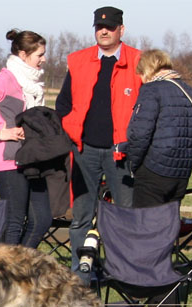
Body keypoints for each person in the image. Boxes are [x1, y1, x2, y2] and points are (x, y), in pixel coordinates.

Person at [55, 6, 142, 281]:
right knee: (81, 217)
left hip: (122, 154)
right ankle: (81, 278)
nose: (104, 31)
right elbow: (63, 104)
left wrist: (131, 140)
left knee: (125, 217)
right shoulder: (79, 61)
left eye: (110, 27)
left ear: (121, 30)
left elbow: (148, 106)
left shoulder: (138, 62)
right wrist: (73, 133)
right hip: (85, 152)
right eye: (99, 27)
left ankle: (124, 276)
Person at [0, 29, 53, 248]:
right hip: (8, 160)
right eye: (40, 55)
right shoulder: (5, 79)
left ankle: (19, 264)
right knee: (14, 221)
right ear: (23, 55)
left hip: (32, 158)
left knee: (42, 219)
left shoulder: (33, 84)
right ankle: (6, 267)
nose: (44, 59)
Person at [126, 49, 192, 207]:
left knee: (145, 219)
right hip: (181, 174)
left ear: (147, 70)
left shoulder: (151, 90)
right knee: (169, 220)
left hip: (153, 171)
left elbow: (139, 134)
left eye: (141, 74)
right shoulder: (191, 93)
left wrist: (133, 165)